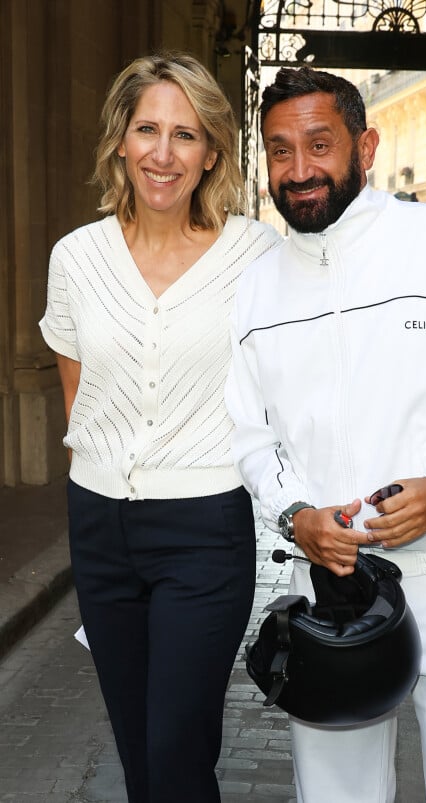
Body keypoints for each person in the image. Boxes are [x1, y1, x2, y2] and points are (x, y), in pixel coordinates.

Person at [225, 66, 426, 803]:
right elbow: (249, 431)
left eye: (320, 144)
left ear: (365, 146)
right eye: (280, 150)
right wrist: (295, 515)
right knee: (336, 794)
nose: (300, 169)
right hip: (329, 581)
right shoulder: (256, 287)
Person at [39, 52, 280, 803]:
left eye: (187, 134)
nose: (164, 153)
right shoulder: (77, 258)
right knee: (140, 752)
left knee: (178, 751)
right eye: (148, 129)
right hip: (100, 524)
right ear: (120, 140)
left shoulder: (256, 254)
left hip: (206, 527)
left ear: (212, 151)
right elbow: (82, 403)